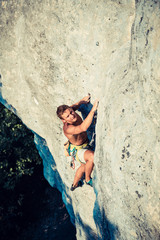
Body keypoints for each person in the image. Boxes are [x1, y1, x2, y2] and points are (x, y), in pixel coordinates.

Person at [56, 94, 99, 191]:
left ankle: (74, 184)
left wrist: (82, 101)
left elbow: (75, 106)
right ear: (64, 120)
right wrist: (93, 110)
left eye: (71, 112)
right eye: (68, 116)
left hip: (81, 145)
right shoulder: (68, 128)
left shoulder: (70, 112)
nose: (72, 115)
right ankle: (87, 179)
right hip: (78, 150)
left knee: (84, 166)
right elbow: (83, 127)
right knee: (91, 157)